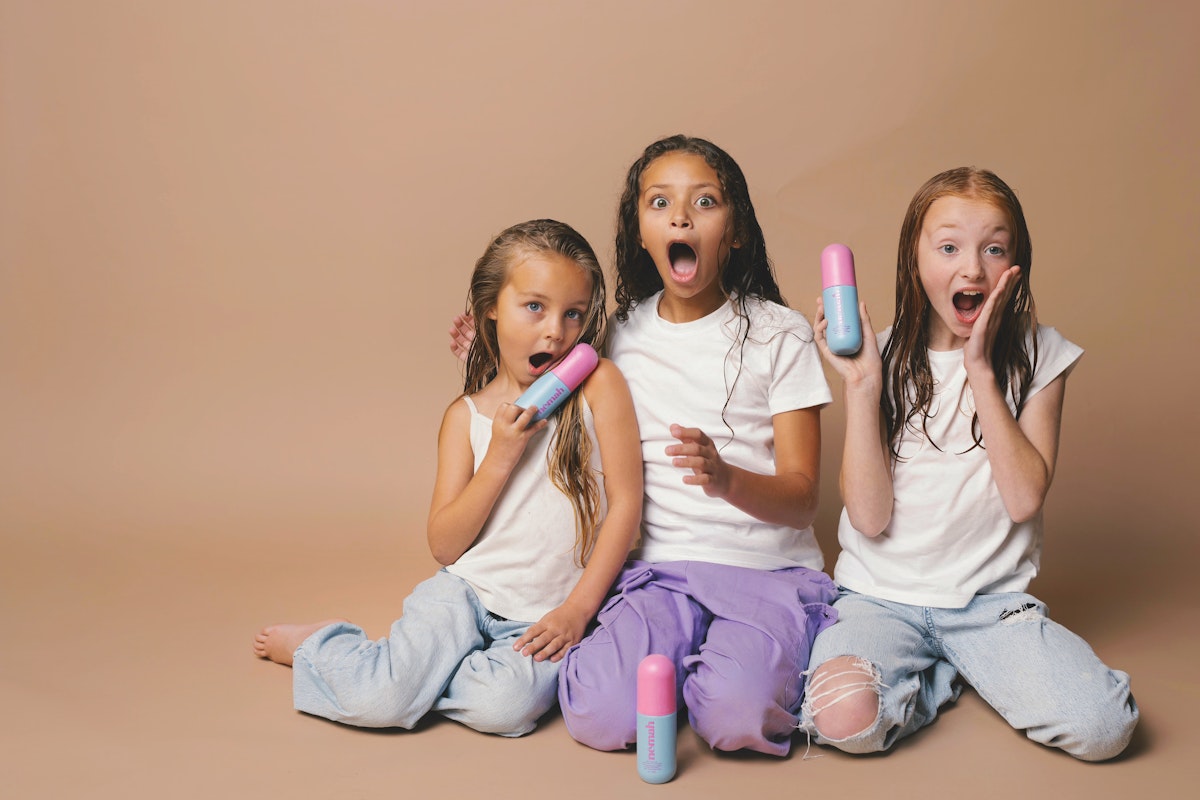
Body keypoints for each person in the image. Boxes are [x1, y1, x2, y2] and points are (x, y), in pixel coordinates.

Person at [452, 135, 837, 756]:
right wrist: (484, 341)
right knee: (602, 717)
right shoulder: (614, 339)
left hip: (765, 575)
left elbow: (801, 500)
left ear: (734, 231)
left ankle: (726, 673)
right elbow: (531, 378)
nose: (680, 217)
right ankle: (690, 666)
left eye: (704, 202)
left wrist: (727, 478)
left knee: (735, 721)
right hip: (658, 577)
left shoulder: (779, 335)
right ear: (638, 233)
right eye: (660, 203)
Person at [253, 219, 642, 737]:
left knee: (504, 708)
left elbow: (626, 505)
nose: (555, 330)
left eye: (574, 313)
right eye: (534, 307)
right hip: (464, 594)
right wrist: (501, 455)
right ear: (491, 312)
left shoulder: (599, 387)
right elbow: (444, 545)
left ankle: (398, 670)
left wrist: (577, 611)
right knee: (383, 704)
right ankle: (324, 647)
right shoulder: (466, 415)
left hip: (544, 614)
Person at [800, 167, 1138, 760]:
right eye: (950, 247)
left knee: (1105, 729)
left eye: (994, 248)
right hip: (879, 599)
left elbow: (1023, 498)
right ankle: (942, 679)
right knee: (842, 722)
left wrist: (981, 368)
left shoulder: (1041, 355)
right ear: (915, 259)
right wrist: (860, 386)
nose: (972, 269)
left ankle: (969, 661)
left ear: (1017, 263)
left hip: (991, 608)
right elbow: (870, 517)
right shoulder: (880, 357)